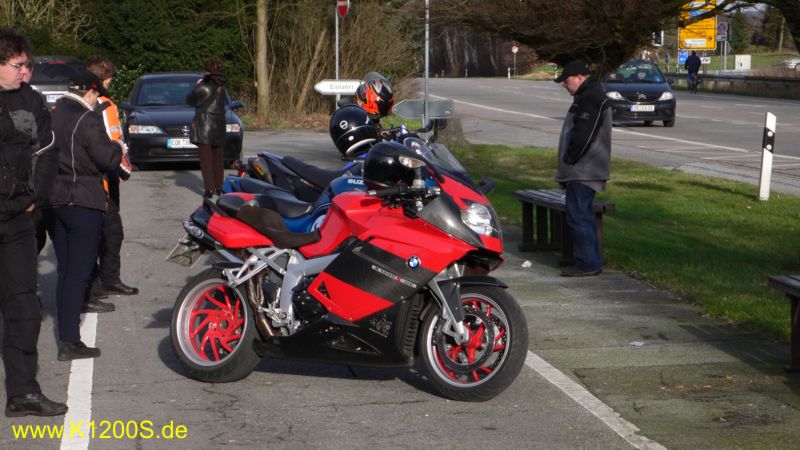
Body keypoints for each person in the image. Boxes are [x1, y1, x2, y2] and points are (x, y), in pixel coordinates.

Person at [0, 26, 67, 417]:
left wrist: (33, 201)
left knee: (25, 309)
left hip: (17, 222)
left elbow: (48, 152)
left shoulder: (32, 100)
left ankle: (23, 393)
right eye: (18, 65)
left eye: (28, 65)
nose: (25, 72)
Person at [42, 69, 121, 361]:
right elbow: (106, 158)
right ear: (89, 91)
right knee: (78, 272)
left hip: (51, 200)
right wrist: (118, 147)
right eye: (96, 95)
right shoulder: (86, 118)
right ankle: (69, 340)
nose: (96, 100)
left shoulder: (50, 115)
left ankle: (66, 334)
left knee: (65, 270)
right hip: (82, 200)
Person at [84, 56, 138, 302]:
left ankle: (103, 279)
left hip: (84, 178)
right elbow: (114, 143)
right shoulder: (106, 106)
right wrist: (123, 168)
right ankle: (104, 281)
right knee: (110, 233)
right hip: (103, 180)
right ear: (105, 80)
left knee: (99, 233)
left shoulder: (75, 102)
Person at [553, 59, 611, 277]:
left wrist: (570, 159)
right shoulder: (586, 96)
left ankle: (588, 263)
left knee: (579, 216)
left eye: (566, 80)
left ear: (579, 77)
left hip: (584, 170)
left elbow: (583, 135)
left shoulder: (590, 98)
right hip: (582, 169)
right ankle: (587, 260)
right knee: (579, 215)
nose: (564, 85)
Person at [187, 58, 227, 198]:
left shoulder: (203, 85)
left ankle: (209, 189)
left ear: (206, 71)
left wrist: (197, 85)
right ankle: (219, 187)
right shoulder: (222, 86)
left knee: (206, 160)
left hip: (204, 126)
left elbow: (191, 100)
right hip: (219, 125)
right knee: (218, 158)